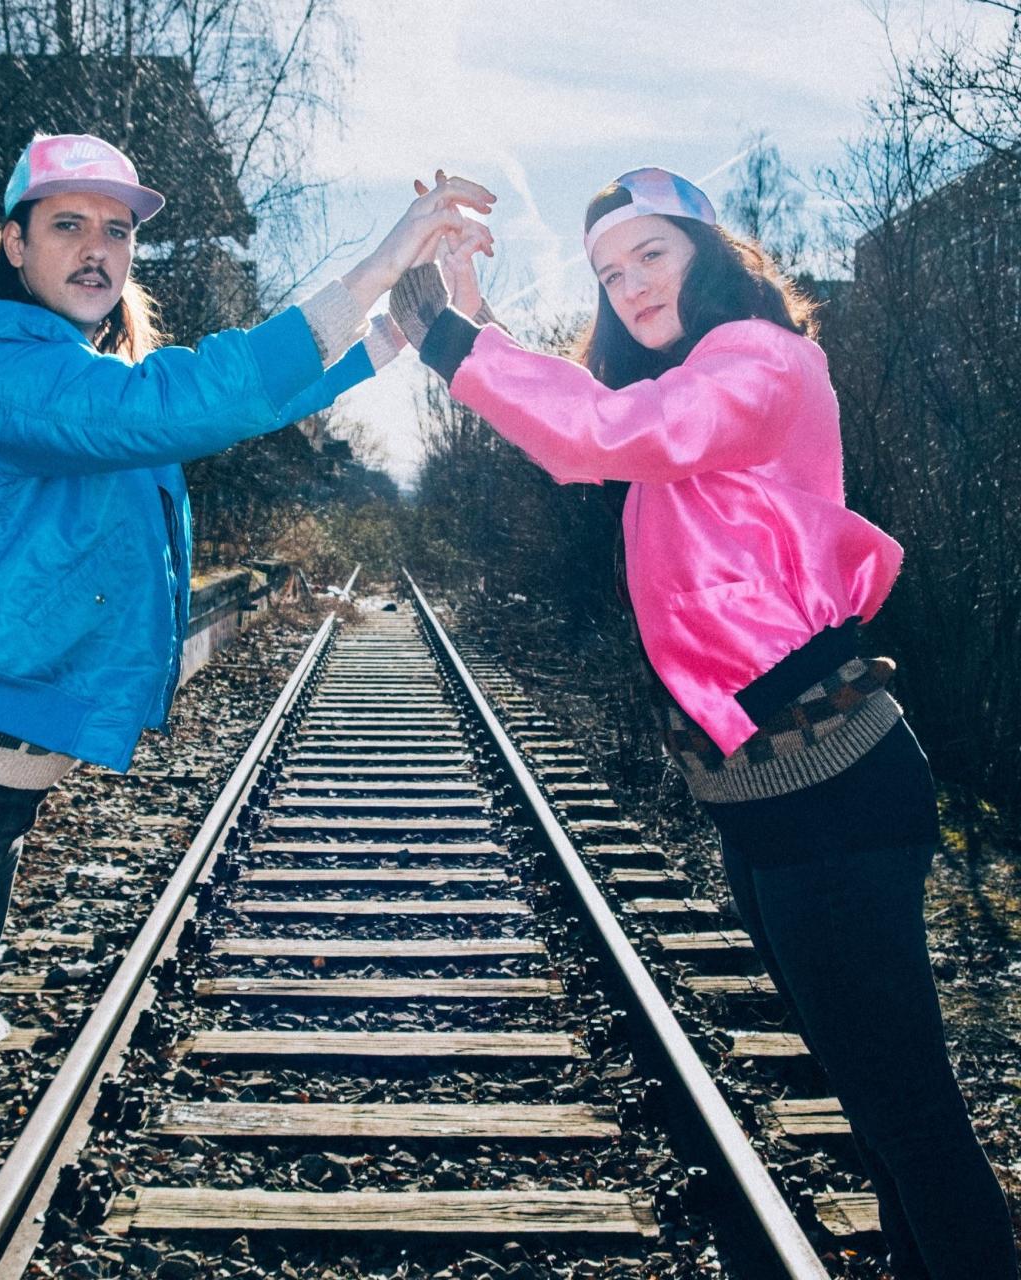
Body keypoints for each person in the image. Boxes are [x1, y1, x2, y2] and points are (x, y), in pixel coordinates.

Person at [0, 133, 494, 1280]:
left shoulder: (82, 369)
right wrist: (380, 261)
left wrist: (403, 327)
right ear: (11, 242)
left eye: (118, 228)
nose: (99, 249)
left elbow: (215, 403)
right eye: (67, 224)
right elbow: (183, 402)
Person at [388, 166, 1018, 1280]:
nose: (628, 284)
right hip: (766, 799)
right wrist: (472, 317)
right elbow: (592, 429)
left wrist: (452, 345)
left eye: (651, 254)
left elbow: (593, 434)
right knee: (877, 1113)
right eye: (607, 271)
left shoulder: (761, 365)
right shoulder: (687, 395)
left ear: (708, 253)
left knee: (909, 1116)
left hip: (830, 788)